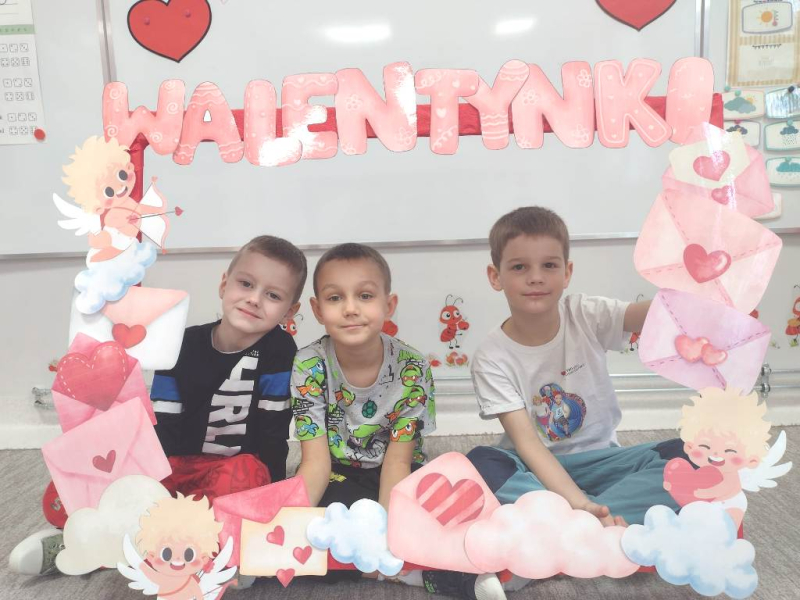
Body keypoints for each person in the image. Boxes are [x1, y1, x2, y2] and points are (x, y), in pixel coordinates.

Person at [10, 235, 306, 577]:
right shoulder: (183, 342)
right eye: (246, 284)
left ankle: (170, 549)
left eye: (273, 295)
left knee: (247, 475)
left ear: (290, 311)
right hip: (174, 466)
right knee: (71, 489)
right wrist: (137, 483)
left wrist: (270, 502)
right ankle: (81, 541)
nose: (254, 299)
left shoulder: (279, 350)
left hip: (227, 476)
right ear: (224, 284)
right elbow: (162, 423)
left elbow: (273, 430)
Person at [424, 206, 682, 598]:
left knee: (689, 457)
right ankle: (599, 526)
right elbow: (528, 444)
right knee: (478, 464)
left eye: (549, 265)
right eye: (519, 267)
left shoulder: (585, 313)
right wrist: (580, 505)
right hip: (532, 471)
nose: (536, 277)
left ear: (567, 272)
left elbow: (643, 316)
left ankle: (561, 531)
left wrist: (691, 286)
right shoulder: (491, 356)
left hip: (602, 462)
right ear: (495, 276)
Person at [292, 243, 452, 588]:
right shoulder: (308, 365)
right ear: (317, 309)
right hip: (337, 472)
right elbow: (315, 463)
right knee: (317, 531)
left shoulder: (413, 367)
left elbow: (398, 462)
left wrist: (385, 533)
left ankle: (401, 561)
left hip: (397, 471)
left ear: (388, 305)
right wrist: (290, 530)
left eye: (365, 296)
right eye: (335, 298)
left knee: (437, 507)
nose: (350, 309)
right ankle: (389, 567)